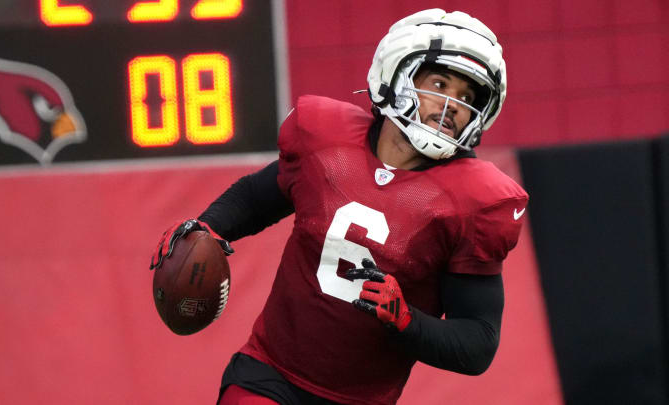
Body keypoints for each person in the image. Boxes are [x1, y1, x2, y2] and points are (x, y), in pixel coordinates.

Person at [151, 8, 528, 405]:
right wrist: (207, 227)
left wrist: (408, 322)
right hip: (270, 373)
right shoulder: (326, 144)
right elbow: (256, 197)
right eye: (439, 82)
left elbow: (478, 341)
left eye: (467, 97)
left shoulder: (472, 202)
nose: (451, 103)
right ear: (397, 73)